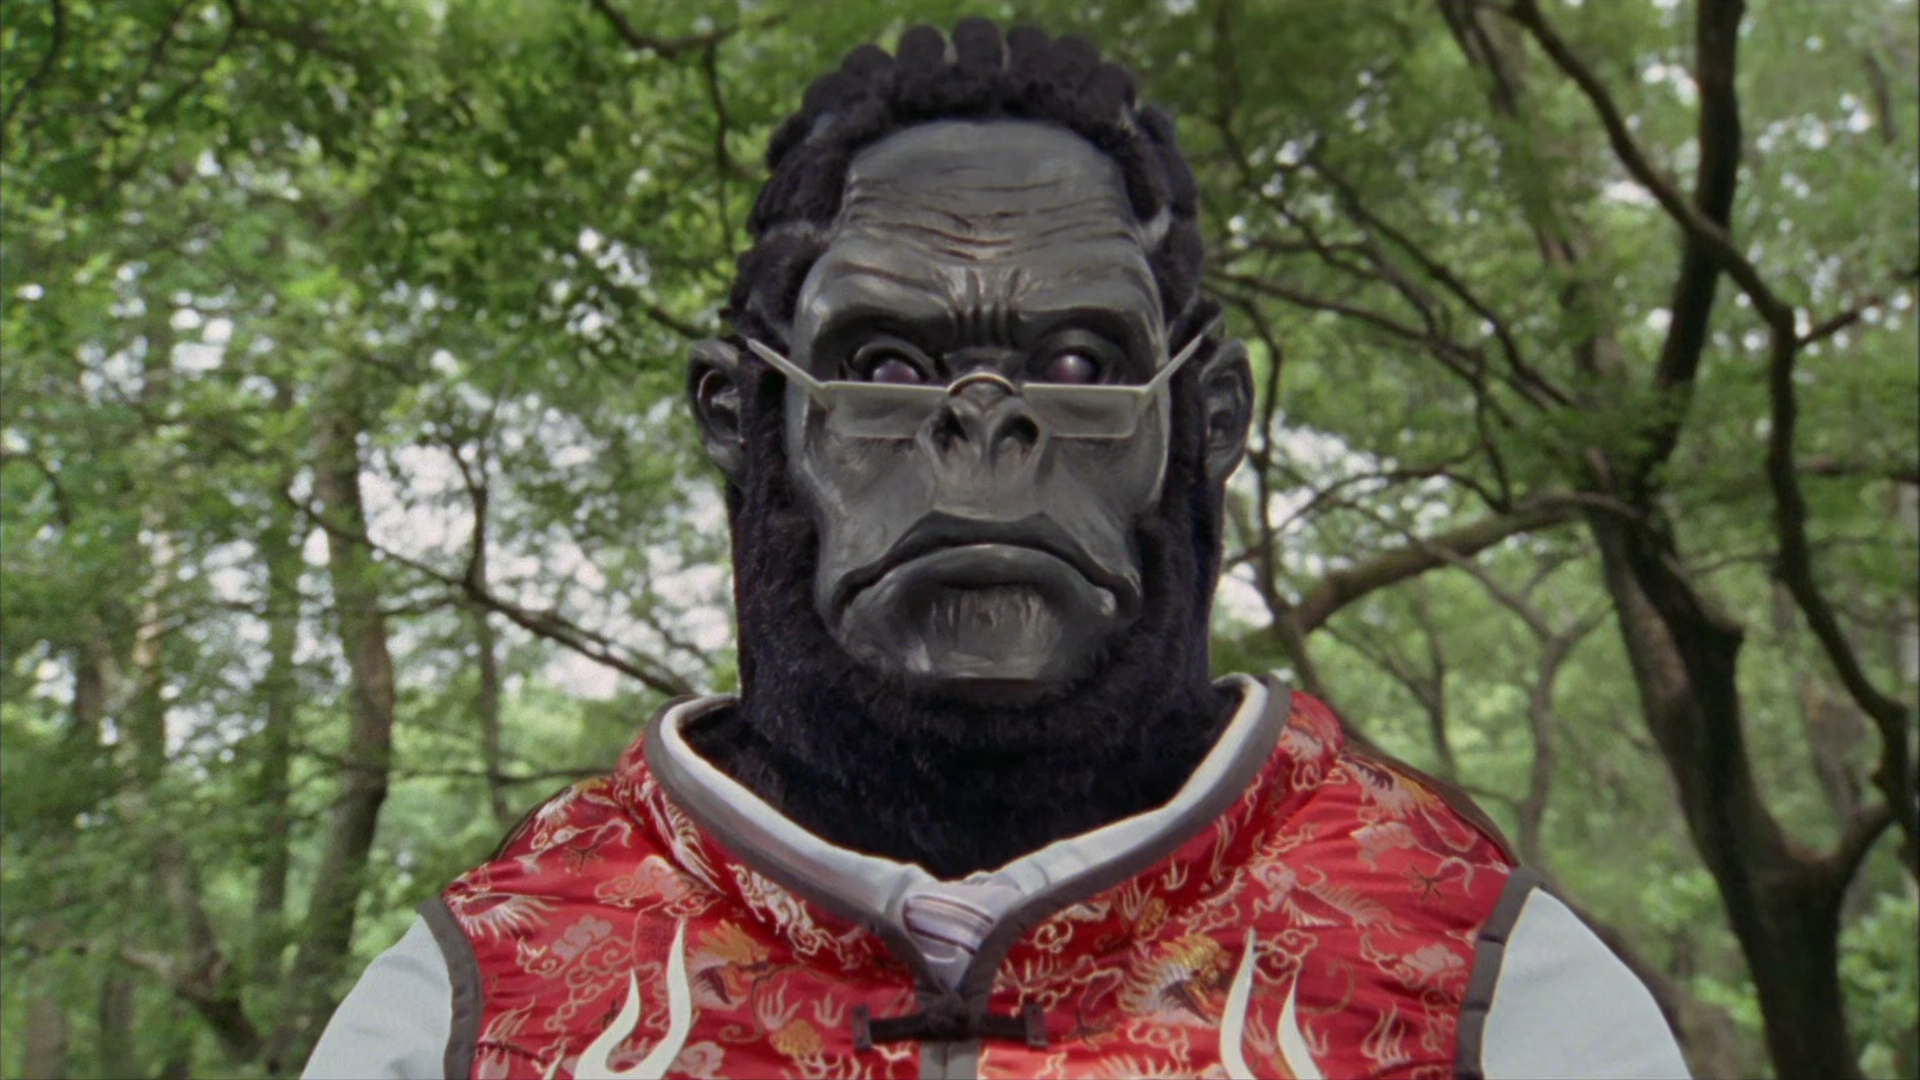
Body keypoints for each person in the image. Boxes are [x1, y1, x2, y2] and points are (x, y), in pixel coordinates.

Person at [305, 20, 1689, 1080]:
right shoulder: (466, 1009)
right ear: (742, 417)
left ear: (1211, 420)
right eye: (884, 365)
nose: (987, 430)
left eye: (1080, 360)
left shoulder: (1493, 993)